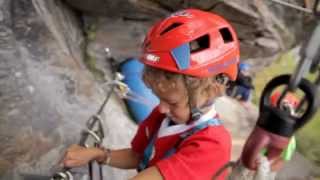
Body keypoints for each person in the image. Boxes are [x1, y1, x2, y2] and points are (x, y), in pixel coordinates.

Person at [61, 9, 240, 180]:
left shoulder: (212, 145)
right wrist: (99, 154)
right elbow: (139, 156)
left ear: (212, 91)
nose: (161, 108)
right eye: (158, 97)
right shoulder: (162, 116)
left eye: (172, 102)